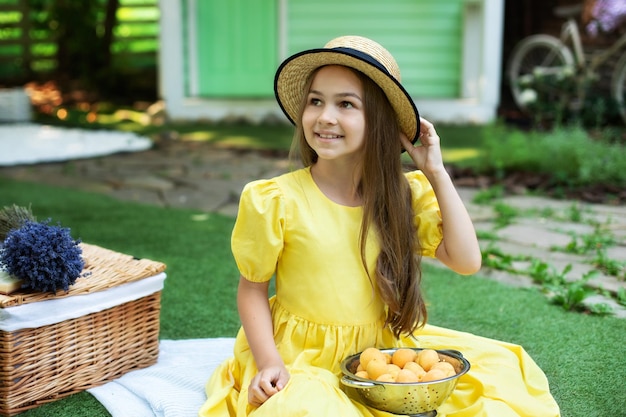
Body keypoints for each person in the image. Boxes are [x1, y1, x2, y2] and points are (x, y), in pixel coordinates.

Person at [199, 35, 560, 417]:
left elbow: (467, 261)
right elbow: (252, 290)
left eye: (346, 104)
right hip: (299, 358)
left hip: (377, 355)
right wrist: (270, 362)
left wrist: (435, 172)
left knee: (501, 371)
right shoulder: (276, 200)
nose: (325, 116)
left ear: (379, 121)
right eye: (316, 101)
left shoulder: (401, 195)